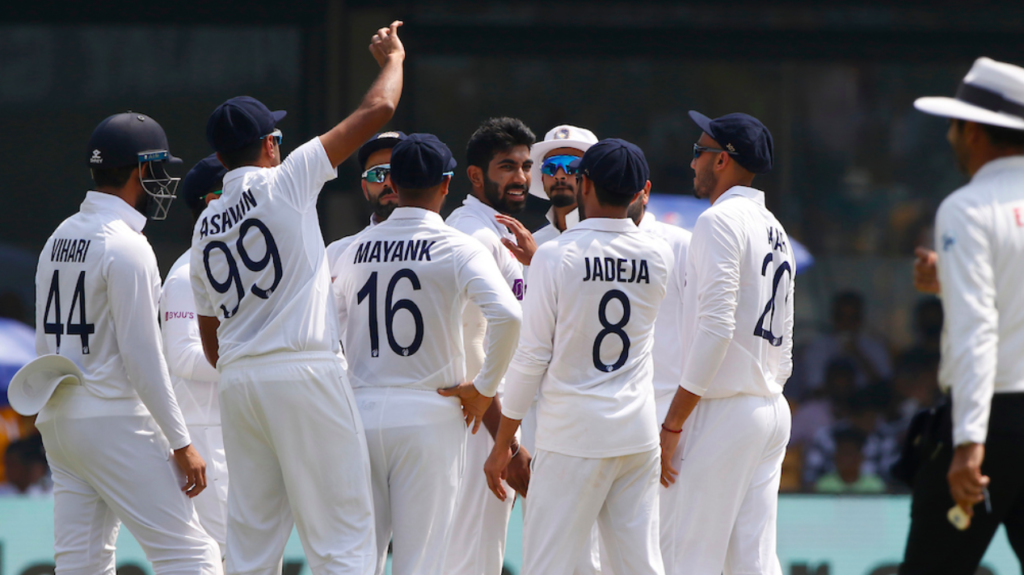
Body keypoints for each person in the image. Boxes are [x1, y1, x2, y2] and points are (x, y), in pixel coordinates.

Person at [190, 22, 405, 575]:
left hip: (239, 380)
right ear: (269, 145)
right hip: (303, 370)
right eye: (277, 139)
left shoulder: (205, 225)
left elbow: (210, 340)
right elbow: (378, 110)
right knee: (342, 538)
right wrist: (393, 59)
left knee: (251, 544)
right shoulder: (286, 179)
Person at [34, 112, 220, 573]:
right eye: (160, 169)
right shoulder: (127, 246)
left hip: (59, 421)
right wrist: (181, 443)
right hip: (114, 418)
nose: (164, 181)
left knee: (81, 563)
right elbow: (144, 357)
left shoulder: (58, 238)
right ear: (142, 170)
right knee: (194, 554)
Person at [333, 133, 521, 575]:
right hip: (429, 412)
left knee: (357, 559)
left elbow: (327, 337)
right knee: (422, 563)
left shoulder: (345, 250)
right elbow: (509, 318)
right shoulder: (458, 246)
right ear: (447, 183)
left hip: (358, 409)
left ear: (393, 183)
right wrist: (483, 389)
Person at [485, 138, 672, 575]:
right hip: (636, 432)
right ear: (638, 191)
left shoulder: (555, 255)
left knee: (549, 566)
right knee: (640, 565)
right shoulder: (658, 254)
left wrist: (503, 444)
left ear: (585, 183)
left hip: (572, 436)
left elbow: (531, 358)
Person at [900, 56, 1024, 573]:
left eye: (954, 123)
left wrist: (970, 443)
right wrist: (951, 277)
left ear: (971, 130)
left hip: (993, 421)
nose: (950, 134)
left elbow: (978, 329)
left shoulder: (968, 207)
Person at [659, 111, 793, 575]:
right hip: (768, 404)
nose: (693, 162)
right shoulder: (775, 227)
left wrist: (673, 423)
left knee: (687, 557)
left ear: (722, 161)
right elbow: (787, 342)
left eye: (700, 152)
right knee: (751, 561)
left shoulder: (718, 221)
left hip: (723, 409)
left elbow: (716, 328)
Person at [443, 116, 535, 575]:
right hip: (477, 424)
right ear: (475, 176)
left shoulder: (497, 230)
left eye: (525, 165)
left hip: (489, 421)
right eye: (506, 166)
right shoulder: (473, 234)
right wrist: (509, 444)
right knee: (471, 559)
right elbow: (468, 344)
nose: (520, 177)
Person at [160, 154, 230, 556]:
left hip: (233, 432)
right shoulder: (187, 273)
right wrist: (249, 362)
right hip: (206, 437)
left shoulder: (228, 264)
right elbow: (183, 355)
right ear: (211, 201)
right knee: (223, 554)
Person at [326, 131, 407, 281]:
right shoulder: (336, 254)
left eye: (397, 171)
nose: (387, 182)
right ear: (365, 188)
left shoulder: (444, 245)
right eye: (376, 174)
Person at [797, 291, 891, 397]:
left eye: (852, 318)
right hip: (829, 407)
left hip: (868, 405)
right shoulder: (818, 347)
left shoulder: (875, 346)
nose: (846, 323)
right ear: (833, 318)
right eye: (841, 317)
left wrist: (857, 353)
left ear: (860, 319)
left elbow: (884, 386)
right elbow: (815, 387)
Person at [526, 125, 598, 249]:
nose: (559, 175)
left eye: (571, 165)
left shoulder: (611, 241)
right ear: (542, 177)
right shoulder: (532, 244)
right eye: (550, 167)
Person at [814, 429, 887, 494]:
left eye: (848, 454)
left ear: (860, 458)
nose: (843, 459)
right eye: (840, 454)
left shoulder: (875, 485)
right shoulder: (823, 485)